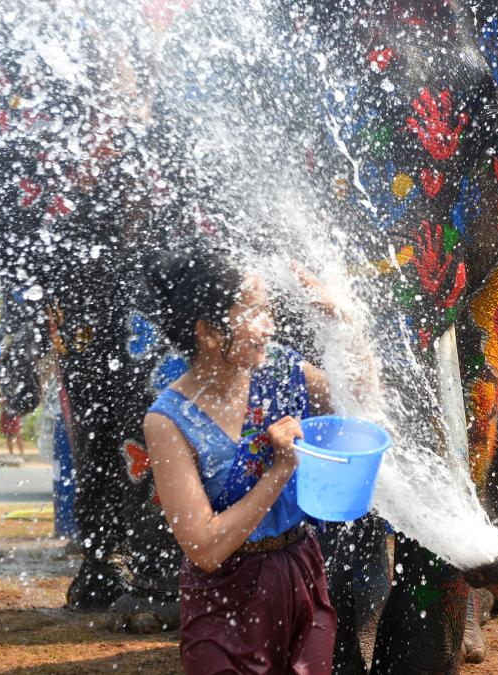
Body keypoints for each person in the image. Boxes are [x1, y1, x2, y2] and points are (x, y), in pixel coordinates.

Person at [143, 250, 357, 674]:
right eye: (254, 312)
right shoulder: (168, 420)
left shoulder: (283, 371)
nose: (269, 326)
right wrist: (279, 472)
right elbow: (205, 547)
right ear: (206, 332)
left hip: (301, 575)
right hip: (223, 597)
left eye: (268, 310)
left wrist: (343, 325)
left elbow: (359, 406)